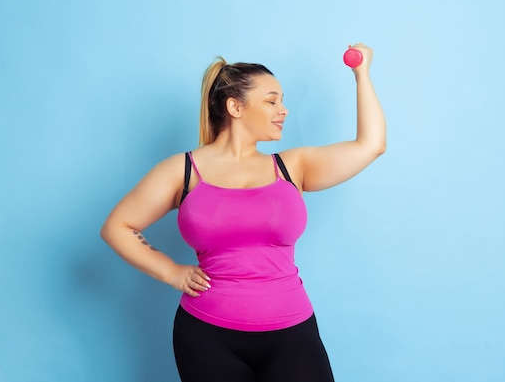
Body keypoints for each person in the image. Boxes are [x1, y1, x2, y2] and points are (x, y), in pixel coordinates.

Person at [100, 43, 386, 382]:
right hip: (206, 337)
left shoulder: (293, 166)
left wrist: (362, 74)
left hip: (292, 333)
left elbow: (372, 145)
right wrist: (172, 272)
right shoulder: (183, 170)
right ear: (235, 106)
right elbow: (117, 226)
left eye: (282, 100)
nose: (283, 110)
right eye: (272, 101)